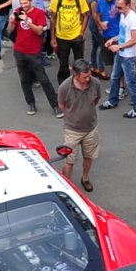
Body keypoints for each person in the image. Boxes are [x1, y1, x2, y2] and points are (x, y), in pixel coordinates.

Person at [7, 0, 57, 116]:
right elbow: (10, 31)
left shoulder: (39, 13)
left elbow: (39, 32)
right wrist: (11, 21)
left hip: (34, 52)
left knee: (44, 80)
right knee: (24, 79)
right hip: (19, 51)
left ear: (30, 1)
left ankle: (55, 105)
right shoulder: (18, 11)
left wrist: (28, 21)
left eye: (26, 3)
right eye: (22, 3)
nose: (24, 5)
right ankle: (31, 103)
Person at [57, 59, 101, 192]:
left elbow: (97, 99)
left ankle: (85, 178)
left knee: (89, 156)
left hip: (91, 128)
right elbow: (62, 105)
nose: (88, 79)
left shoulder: (95, 83)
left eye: (89, 75)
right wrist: (74, 115)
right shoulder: (65, 87)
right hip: (72, 130)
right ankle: (65, 186)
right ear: (75, 74)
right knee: (70, 160)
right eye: (84, 77)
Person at [101, 0, 136, 119]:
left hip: (128, 56)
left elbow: (135, 39)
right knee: (115, 77)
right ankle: (113, 100)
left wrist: (118, 46)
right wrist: (113, 40)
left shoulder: (133, 18)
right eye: (117, 6)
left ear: (128, 5)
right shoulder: (123, 16)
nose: (117, 9)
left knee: (131, 82)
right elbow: (124, 34)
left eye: (120, 7)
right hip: (121, 53)